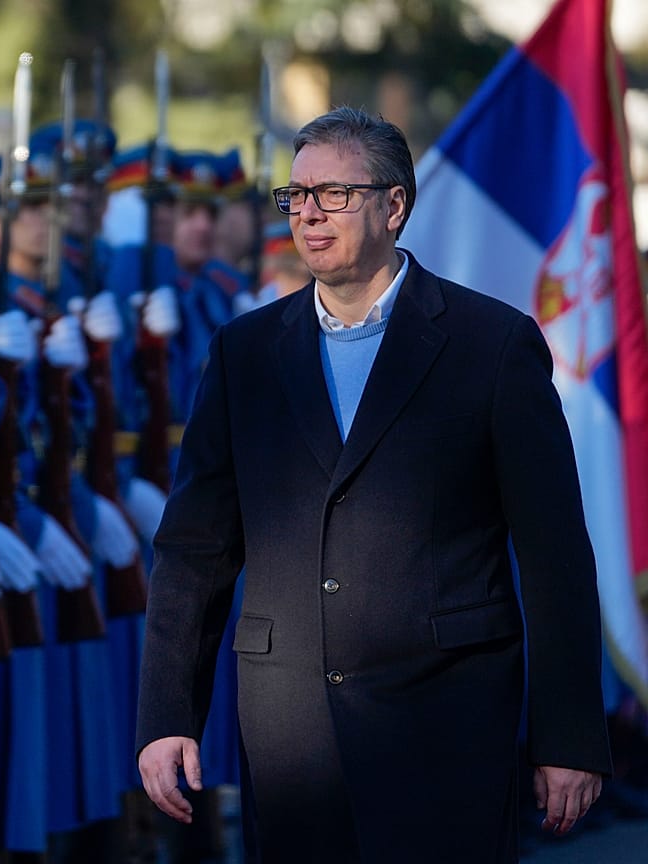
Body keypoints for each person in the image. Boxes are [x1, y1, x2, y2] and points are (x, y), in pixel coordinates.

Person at [135, 107, 612, 862]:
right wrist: (168, 715)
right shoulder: (245, 354)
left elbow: (553, 552)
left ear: (394, 206)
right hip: (292, 736)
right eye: (295, 196)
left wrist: (570, 735)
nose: (309, 213)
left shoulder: (491, 344)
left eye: (333, 193)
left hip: (446, 725)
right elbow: (194, 550)